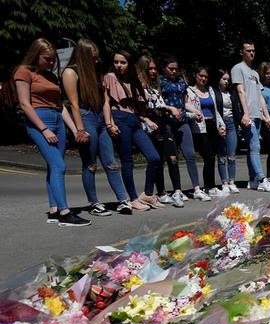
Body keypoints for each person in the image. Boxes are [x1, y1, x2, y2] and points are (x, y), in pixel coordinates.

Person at [15, 38, 91, 226]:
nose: (51, 62)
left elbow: (60, 106)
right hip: (39, 121)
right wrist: (44, 129)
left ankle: (54, 209)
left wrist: (75, 129)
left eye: (53, 59)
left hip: (57, 120)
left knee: (53, 166)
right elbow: (25, 104)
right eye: (47, 58)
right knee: (59, 166)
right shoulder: (23, 72)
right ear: (36, 55)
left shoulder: (51, 76)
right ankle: (65, 214)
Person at [62, 38, 131, 216]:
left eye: (97, 57)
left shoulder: (96, 71)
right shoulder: (71, 72)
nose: (96, 61)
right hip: (86, 118)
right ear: (83, 56)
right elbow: (74, 104)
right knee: (90, 164)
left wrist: (109, 123)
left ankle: (123, 200)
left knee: (111, 163)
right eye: (92, 58)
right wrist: (79, 129)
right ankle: (94, 203)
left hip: (100, 118)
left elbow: (105, 100)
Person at [103, 50, 164, 211]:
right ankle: (132, 198)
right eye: (116, 62)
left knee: (154, 157)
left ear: (129, 64)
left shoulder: (133, 80)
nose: (119, 65)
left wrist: (146, 119)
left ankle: (147, 194)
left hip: (135, 120)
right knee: (127, 160)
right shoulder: (110, 77)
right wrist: (110, 124)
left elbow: (138, 107)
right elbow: (107, 103)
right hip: (119, 118)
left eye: (122, 62)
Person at [158, 57, 209, 201]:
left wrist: (194, 112)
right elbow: (158, 103)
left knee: (190, 154)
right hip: (167, 122)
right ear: (164, 68)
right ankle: (177, 190)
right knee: (172, 158)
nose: (174, 71)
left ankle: (197, 189)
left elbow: (184, 102)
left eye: (176, 68)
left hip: (182, 122)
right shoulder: (160, 82)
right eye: (170, 68)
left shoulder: (182, 82)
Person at [137, 55, 184, 207]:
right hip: (150, 123)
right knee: (158, 159)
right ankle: (161, 192)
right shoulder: (139, 86)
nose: (153, 71)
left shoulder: (155, 85)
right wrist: (147, 119)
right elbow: (143, 107)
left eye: (154, 68)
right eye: (149, 68)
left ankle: (177, 191)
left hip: (162, 122)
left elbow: (160, 103)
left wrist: (170, 108)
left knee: (172, 157)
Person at [231, 39, 270, 192]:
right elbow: (240, 91)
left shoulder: (255, 73)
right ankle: (262, 179)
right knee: (255, 146)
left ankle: (253, 179)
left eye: (253, 50)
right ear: (242, 52)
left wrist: (266, 116)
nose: (251, 53)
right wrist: (246, 113)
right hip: (247, 115)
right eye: (248, 50)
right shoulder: (238, 69)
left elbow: (260, 96)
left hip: (257, 116)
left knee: (252, 148)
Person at [186, 66, 226, 196]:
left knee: (212, 157)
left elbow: (215, 110)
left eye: (205, 77)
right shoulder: (190, 91)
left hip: (212, 125)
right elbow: (186, 109)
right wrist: (194, 115)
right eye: (201, 76)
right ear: (196, 76)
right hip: (199, 127)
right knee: (208, 155)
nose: (203, 78)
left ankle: (212, 186)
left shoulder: (210, 91)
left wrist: (221, 125)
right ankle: (209, 187)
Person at [211, 68, 243, 193]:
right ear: (218, 79)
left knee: (231, 155)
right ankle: (224, 182)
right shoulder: (214, 92)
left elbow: (236, 110)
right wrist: (218, 125)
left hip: (231, 123)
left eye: (228, 80)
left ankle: (232, 181)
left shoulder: (231, 93)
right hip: (220, 123)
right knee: (222, 155)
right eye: (224, 79)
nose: (226, 82)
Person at [259, 62, 270, 179]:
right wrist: (265, 119)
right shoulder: (259, 87)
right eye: (267, 73)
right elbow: (257, 106)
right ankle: (269, 176)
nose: (269, 76)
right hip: (266, 117)